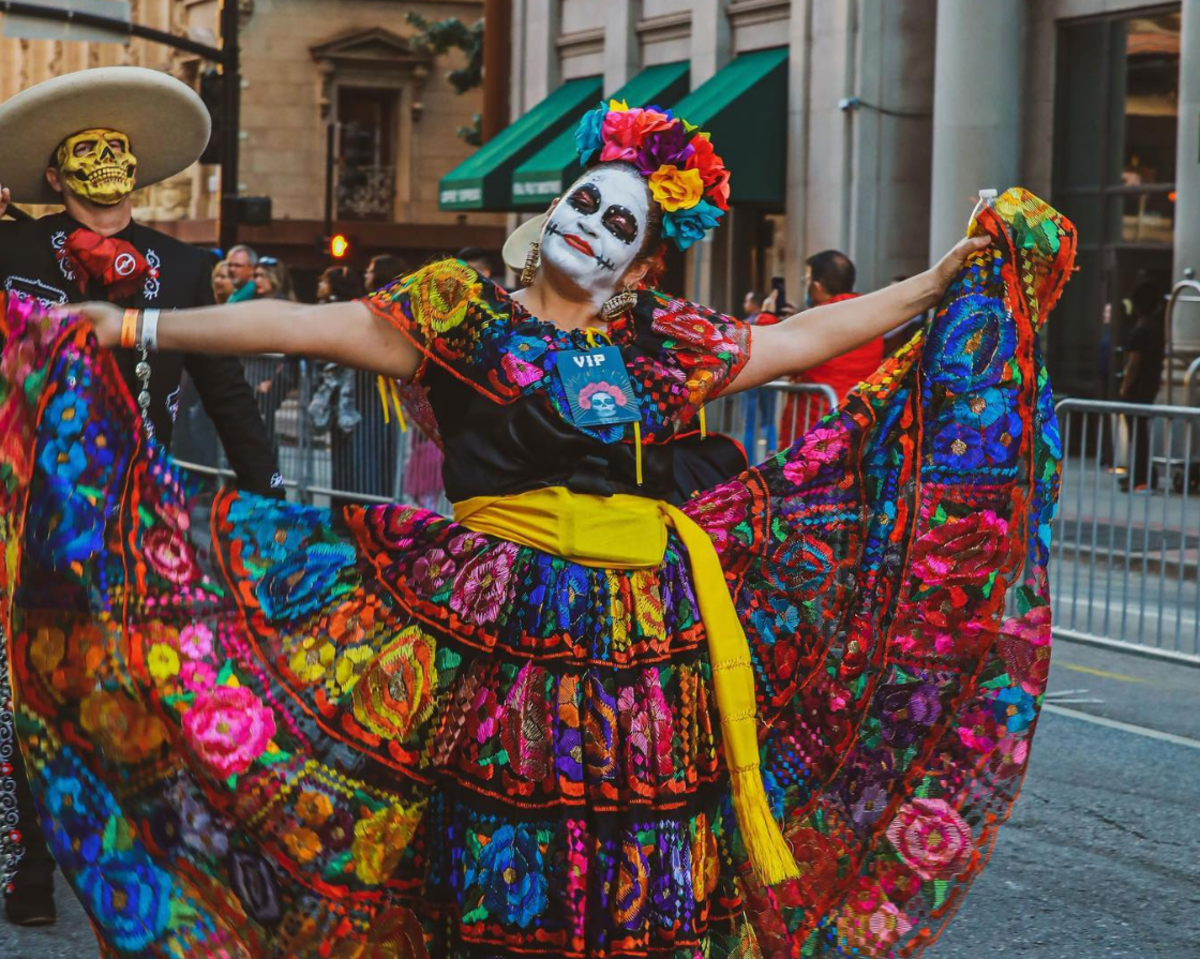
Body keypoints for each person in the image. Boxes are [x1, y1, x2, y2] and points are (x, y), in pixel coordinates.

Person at [0, 95, 1075, 958]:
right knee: (497, 852)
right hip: (504, 630)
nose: (588, 226)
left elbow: (806, 334)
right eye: (581, 202)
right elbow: (300, 321)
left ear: (640, 267)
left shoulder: (663, 345)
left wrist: (942, 278)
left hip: (655, 642)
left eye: (618, 223)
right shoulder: (463, 313)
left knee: (649, 854)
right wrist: (135, 319)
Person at [0, 66, 283, 928]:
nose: (106, 164)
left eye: (119, 151)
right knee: (29, 684)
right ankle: (34, 860)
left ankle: (158, 850)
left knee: (148, 677)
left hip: (138, 511)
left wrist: (263, 486)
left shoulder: (181, 265)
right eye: (86, 153)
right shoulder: (12, 251)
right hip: (32, 507)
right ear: (55, 176)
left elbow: (224, 382)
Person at [777, 250, 884, 446]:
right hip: (857, 422)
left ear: (817, 287)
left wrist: (769, 318)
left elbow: (782, 360)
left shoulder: (817, 319)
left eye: (807, 279)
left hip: (814, 426)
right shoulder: (873, 316)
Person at [1119, 281, 1167, 491]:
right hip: (1151, 385)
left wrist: (1124, 388)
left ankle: (1140, 477)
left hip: (1137, 390)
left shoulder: (1139, 332)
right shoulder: (1157, 330)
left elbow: (1133, 364)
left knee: (1137, 435)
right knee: (1141, 435)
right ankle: (1145, 475)